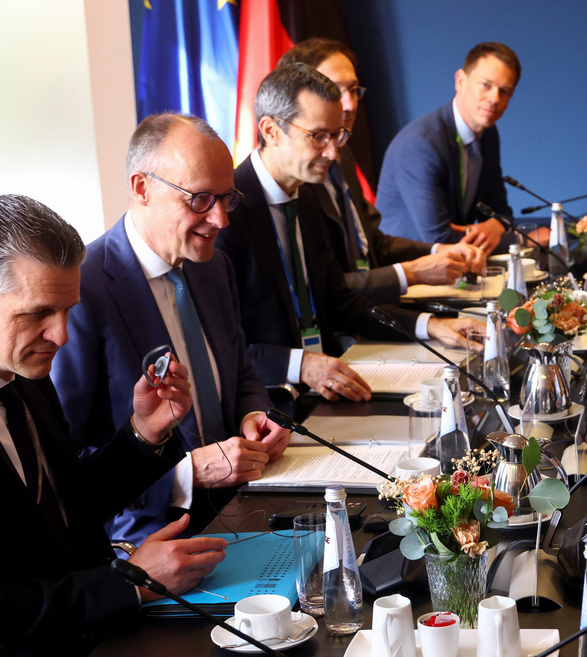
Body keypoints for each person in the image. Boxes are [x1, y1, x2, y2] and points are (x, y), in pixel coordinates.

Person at [0, 194, 228, 657]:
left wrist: (144, 433)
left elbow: (70, 509)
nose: (61, 335)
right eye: (39, 313)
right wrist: (127, 583)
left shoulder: (27, 374)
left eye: (67, 311)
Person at [50, 114, 290, 548]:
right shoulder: (82, 290)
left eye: (226, 198)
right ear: (141, 188)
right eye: (199, 199)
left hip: (244, 499)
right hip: (150, 532)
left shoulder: (213, 265)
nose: (221, 219)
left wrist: (255, 415)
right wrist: (187, 474)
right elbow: (63, 464)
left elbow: (240, 373)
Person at [217, 63, 483, 400]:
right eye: (318, 137)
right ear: (271, 130)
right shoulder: (226, 212)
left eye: (338, 135)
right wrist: (300, 365)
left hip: (328, 381)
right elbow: (222, 345)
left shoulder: (309, 195)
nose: (332, 151)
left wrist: (431, 325)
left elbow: (339, 301)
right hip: (264, 398)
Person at [276, 38, 486, 303]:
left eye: (353, 90)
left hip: (371, 309)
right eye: (333, 90)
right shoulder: (295, 177)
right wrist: (409, 273)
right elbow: (322, 287)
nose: (350, 104)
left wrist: (440, 250)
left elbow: (373, 244)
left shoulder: (342, 154)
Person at [376, 42, 520, 253]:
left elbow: (501, 213)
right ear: (460, 81)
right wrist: (521, 240)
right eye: (486, 85)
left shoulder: (488, 134)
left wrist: (496, 225)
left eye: (504, 91)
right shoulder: (420, 145)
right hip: (411, 270)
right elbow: (440, 238)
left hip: (454, 271)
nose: (494, 99)